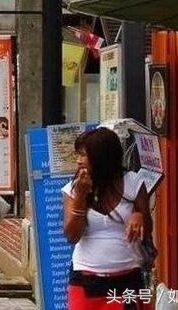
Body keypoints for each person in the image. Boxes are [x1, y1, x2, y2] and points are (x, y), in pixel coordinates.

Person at [63, 128, 153, 310]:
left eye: (83, 155)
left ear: (101, 157)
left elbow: (147, 232)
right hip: (86, 282)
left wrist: (139, 216)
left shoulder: (133, 183)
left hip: (127, 281)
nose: (78, 160)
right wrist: (80, 197)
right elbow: (72, 236)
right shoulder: (73, 189)